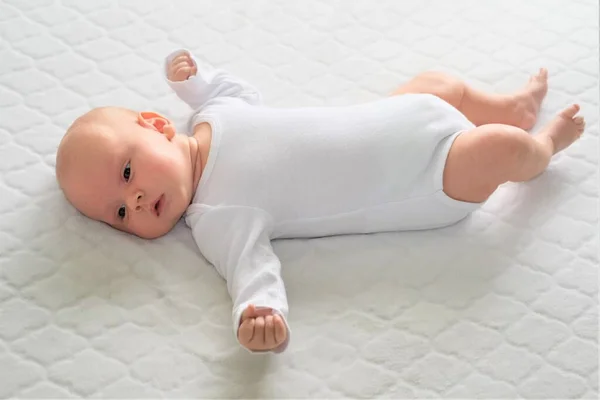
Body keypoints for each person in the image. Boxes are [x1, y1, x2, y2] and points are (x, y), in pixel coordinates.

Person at [55, 49, 585, 353]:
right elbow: (249, 267)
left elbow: (238, 92)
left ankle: (509, 104)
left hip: (399, 115)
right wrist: (257, 310)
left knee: (439, 83)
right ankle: (540, 145)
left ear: (156, 125)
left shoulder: (211, 115)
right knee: (501, 149)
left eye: (127, 172)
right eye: (120, 211)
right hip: (426, 176)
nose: (136, 196)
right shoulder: (216, 215)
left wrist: (196, 81)